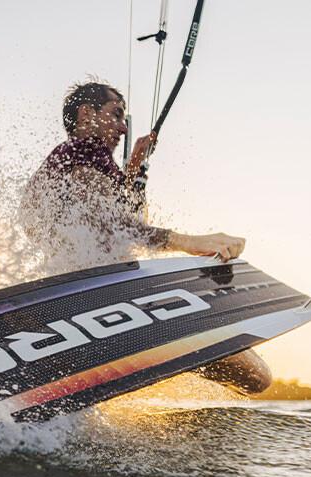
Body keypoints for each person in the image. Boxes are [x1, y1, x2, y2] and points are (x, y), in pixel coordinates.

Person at [20, 81, 272, 395]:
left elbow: (117, 220)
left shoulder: (76, 161)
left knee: (256, 377)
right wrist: (190, 242)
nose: (123, 128)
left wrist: (136, 169)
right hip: (104, 301)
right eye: (116, 115)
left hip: (91, 301)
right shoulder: (83, 151)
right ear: (87, 113)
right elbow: (113, 222)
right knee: (256, 377)